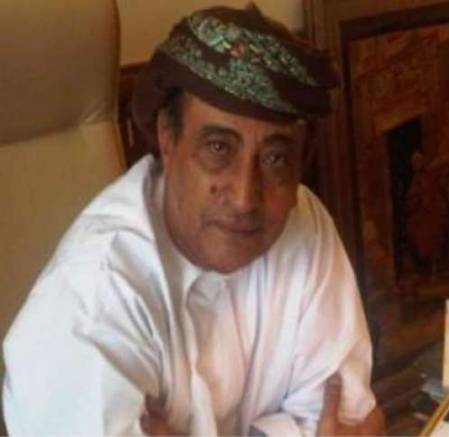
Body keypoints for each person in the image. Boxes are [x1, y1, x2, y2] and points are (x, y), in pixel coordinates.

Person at [2, 4, 384, 436]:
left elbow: (351, 421)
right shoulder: (93, 301)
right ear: (167, 139)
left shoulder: (303, 222)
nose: (245, 197)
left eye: (276, 158)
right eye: (218, 148)